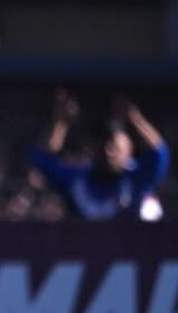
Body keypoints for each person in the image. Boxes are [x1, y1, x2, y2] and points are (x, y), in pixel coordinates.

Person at [31, 90, 168, 221]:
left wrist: (134, 118)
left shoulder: (136, 178)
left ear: (129, 149)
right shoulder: (77, 180)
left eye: (115, 147)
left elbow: (158, 154)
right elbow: (43, 160)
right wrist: (61, 123)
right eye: (102, 146)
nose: (108, 152)